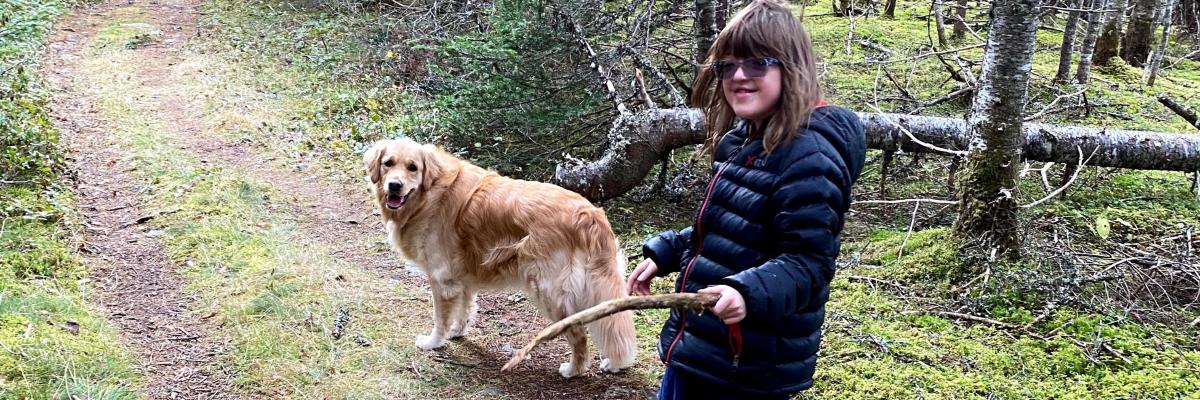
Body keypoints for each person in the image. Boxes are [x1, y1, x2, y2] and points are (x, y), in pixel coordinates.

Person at [626, 0, 866, 398]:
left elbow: (809, 262)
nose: (739, 76)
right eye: (727, 66)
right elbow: (729, 227)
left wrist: (747, 291)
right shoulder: (743, 139)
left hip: (746, 366)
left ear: (792, 67)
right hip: (703, 348)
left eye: (758, 63)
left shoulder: (810, 156)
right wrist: (667, 251)